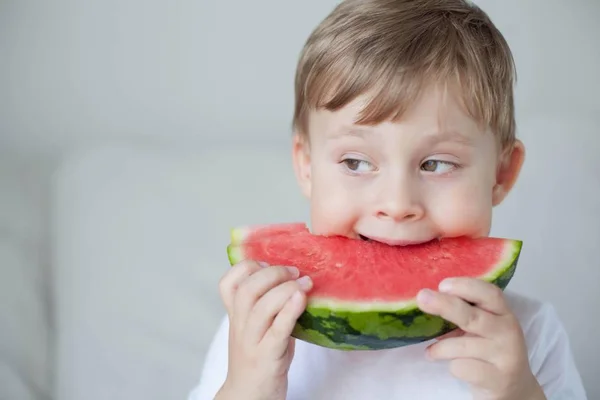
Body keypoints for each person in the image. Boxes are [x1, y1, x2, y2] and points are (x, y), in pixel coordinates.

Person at [189, 0, 588, 398]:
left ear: (501, 174)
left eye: (435, 164)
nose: (397, 204)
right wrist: (248, 384)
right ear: (306, 166)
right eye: (356, 162)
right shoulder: (259, 327)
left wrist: (520, 391)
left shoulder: (529, 335)